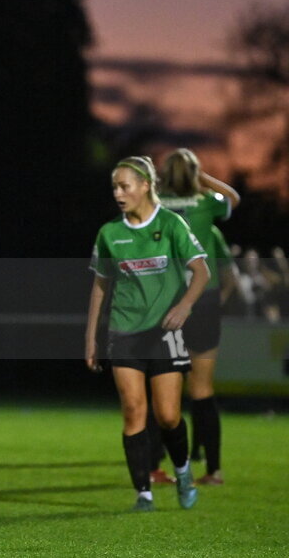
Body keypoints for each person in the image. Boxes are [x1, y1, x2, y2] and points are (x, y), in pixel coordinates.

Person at [85, 156, 209, 512]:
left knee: (168, 415)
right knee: (133, 411)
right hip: (123, 332)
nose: (118, 193)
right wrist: (91, 337)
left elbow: (201, 272)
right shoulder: (110, 233)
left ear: (145, 186)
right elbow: (99, 287)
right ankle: (144, 493)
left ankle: (183, 470)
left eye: (125, 186)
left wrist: (184, 306)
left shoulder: (170, 224)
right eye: (114, 187)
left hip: (163, 333)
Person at [156, 148, 239, 485]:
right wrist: (202, 178)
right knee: (202, 389)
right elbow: (233, 198)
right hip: (202, 300)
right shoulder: (206, 201)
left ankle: (163, 467)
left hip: (166, 300)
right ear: (194, 173)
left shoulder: (157, 202)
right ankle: (214, 471)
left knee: (164, 388)